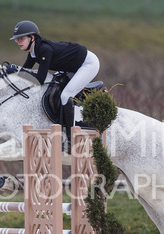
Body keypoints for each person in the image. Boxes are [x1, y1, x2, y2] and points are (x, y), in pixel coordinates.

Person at [6, 20, 100, 152]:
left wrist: (18, 70)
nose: (18, 42)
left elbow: (39, 79)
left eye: (21, 38)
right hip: (72, 65)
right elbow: (25, 72)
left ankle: (71, 139)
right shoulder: (33, 52)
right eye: (17, 39)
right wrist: (15, 72)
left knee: (65, 96)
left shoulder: (44, 49)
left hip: (88, 64)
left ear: (32, 37)